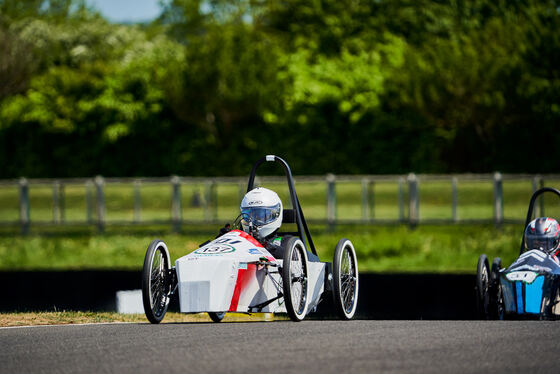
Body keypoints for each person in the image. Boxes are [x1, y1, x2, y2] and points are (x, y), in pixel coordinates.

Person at [239, 187, 286, 258]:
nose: (253, 221)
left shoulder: (286, 242)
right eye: (249, 215)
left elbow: (298, 257)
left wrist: (267, 247)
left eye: (261, 215)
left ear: (275, 214)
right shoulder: (241, 240)